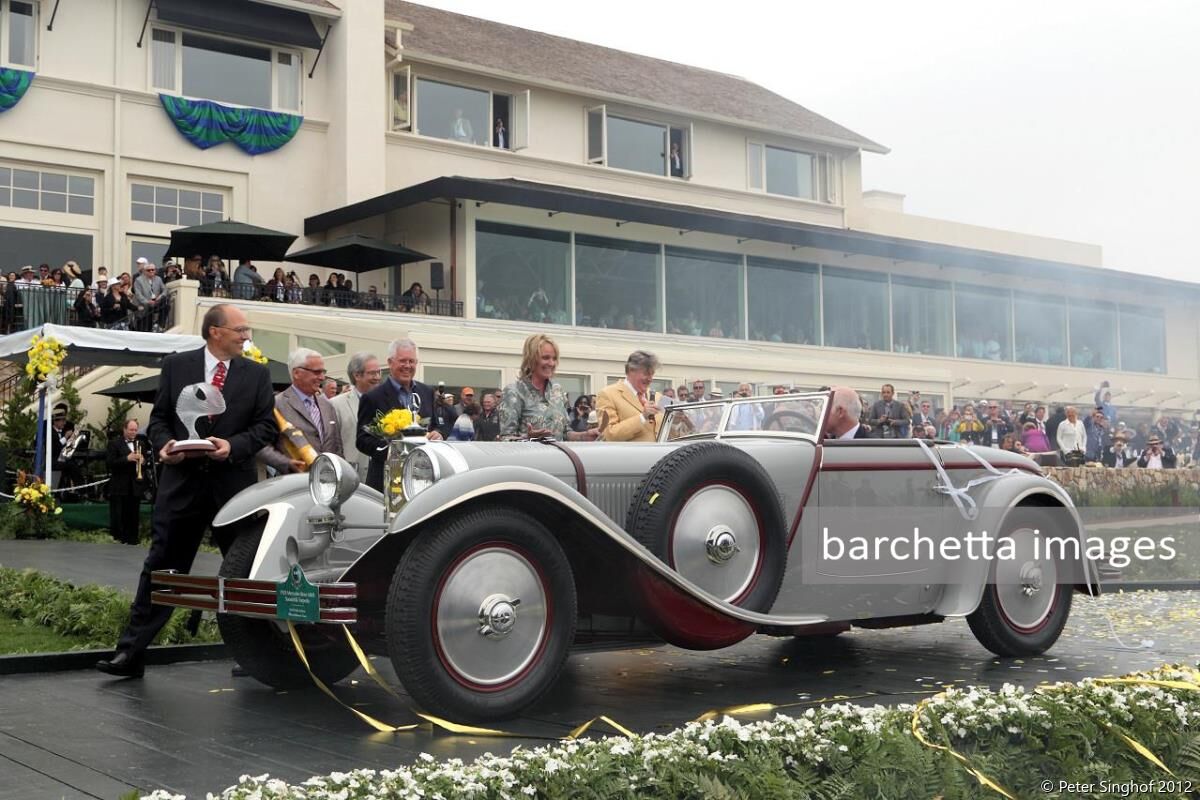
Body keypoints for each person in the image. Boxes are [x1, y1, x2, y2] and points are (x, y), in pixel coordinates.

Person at [96, 304, 275, 678]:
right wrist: (163, 445)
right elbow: (160, 418)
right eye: (240, 329)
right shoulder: (177, 366)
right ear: (215, 331)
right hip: (183, 485)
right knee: (161, 566)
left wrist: (233, 446)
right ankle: (130, 654)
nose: (246, 336)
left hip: (233, 489)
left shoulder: (257, 374)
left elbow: (264, 429)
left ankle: (260, 655)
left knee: (246, 572)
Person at [356, 338, 443, 492]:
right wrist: (392, 451)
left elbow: (435, 425)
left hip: (422, 481)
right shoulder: (373, 397)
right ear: (390, 362)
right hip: (385, 481)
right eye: (403, 361)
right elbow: (362, 440)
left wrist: (438, 434)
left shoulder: (427, 392)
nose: (407, 366)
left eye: (412, 361)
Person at [257, 348, 344, 475]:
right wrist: (286, 463)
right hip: (293, 482)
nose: (322, 377)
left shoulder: (327, 406)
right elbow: (261, 446)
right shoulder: (276, 404)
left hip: (327, 483)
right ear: (297, 373)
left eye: (323, 372)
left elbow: (337, 446)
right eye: (316, 372)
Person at [499, 334, 599, 441]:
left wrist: (585, 435)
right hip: (528, 457)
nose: (551, 363)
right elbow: (505, 439)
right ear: (531, 359)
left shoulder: (557, 390)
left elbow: (565, 433)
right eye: (545, 358)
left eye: (554, 358)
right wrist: (528, 439)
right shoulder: (514, 392)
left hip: (558, 457)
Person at [327, 351, 382, 480]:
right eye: (373, 373)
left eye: (379, 372)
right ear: (357, 375)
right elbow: (332, 444)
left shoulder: (387, 402)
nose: (378, 377)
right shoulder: (335, 405)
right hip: (351, 478)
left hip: (381, 478)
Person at [595, 350, 663, 442]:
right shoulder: (608, 394)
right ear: (631, 370)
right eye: (646, 374)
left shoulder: (657, 396)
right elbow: (609, 435)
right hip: (629, 456)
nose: (650, 379)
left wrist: (677, 422)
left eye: (652, 374)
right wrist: (643, 417)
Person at [106, 419, 148, 545]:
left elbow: (145, 465)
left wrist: (143, 461)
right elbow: (110, 463)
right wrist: (127, 458)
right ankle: (119, 537)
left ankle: (133, 537)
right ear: (124, 429)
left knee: (134, 511)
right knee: (119, 512)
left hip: (135, 484)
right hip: (120, 483)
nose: (133, 432)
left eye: (135, 430)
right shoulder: (114, 443)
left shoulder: (140, 444)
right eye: (131, 430)